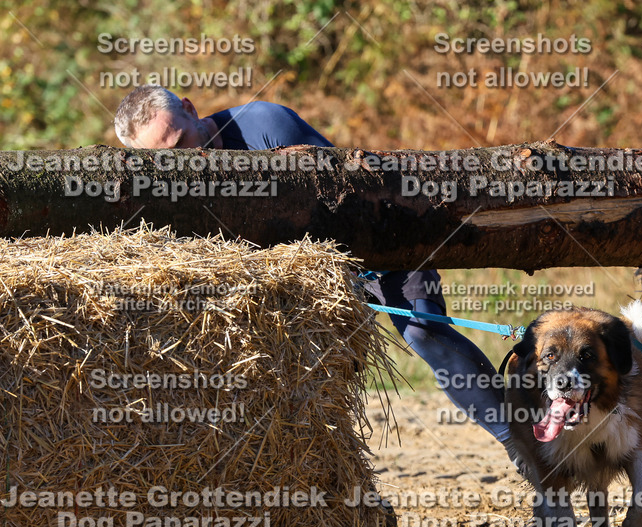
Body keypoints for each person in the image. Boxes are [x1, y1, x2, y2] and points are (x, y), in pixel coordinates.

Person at [113, 85, 520, 466]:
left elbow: (344, 200)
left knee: (423, 331)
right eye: (163, 160)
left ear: (190, 109)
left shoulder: (264, 124)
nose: (181, 162)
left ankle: (519, 442)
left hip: (379, 238)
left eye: (181, 143)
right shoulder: (165, 183)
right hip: (298, 281)